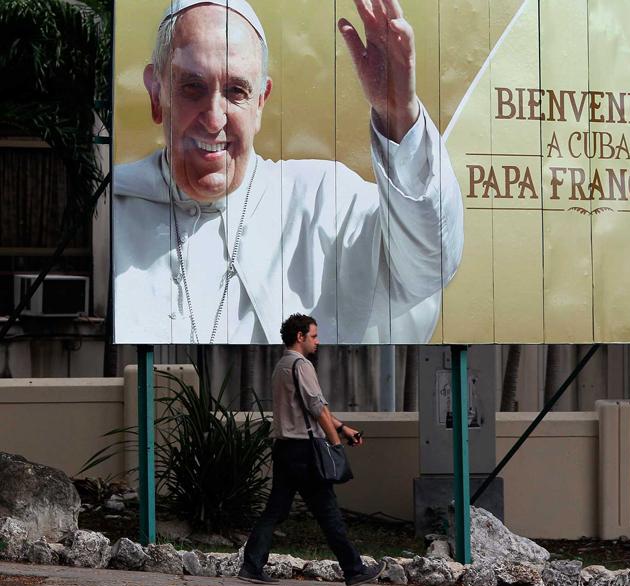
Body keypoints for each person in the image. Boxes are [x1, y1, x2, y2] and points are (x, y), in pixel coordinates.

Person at [112, 0, 463, 345]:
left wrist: (398, 114)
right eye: (193, 87)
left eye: (236, 91)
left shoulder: (324, 202)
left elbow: (430, 262)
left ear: (261, 102)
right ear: (156, 95)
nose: (214, 118)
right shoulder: (113, 211)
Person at [239, 313, 383, 586]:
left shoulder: (282, 365)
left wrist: (342, 428)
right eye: (314, 336)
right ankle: (354, 570)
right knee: (328, 513)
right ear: (300, 337)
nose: (318, 342)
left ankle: (252, 565)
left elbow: (309, 407)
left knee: (275, 511)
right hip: (304, 452)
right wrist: (336, 443)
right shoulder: (301, 365)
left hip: (285, 449)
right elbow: (318, 408)